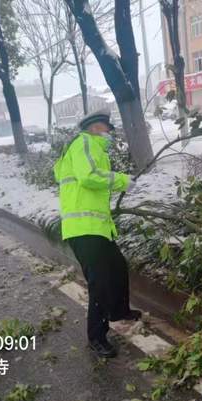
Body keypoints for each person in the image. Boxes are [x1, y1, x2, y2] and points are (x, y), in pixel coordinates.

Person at [53, 110, 142, 358]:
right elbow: (88, 177)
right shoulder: (85, 143)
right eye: (106, 128)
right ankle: (97, 337)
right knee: (100, 282)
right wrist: (122, 180)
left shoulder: (94, 148)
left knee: (117, 267)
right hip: (84, 229)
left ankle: (119, 311)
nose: (109, 133)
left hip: (96, 227)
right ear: (94, 128)